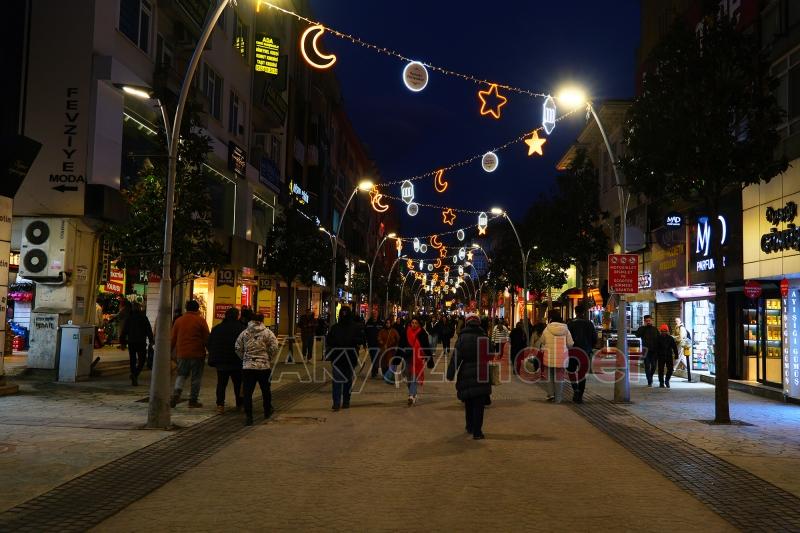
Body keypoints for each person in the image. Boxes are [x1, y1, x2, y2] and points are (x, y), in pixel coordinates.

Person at [447, 313, 491, 440]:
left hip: (466, 372)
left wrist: (450, 374)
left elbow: (456, 357)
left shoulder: (462, 338)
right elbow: (490, 354)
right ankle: (477, 432)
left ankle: (469, 426)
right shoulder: (484, 336)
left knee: (469, 402)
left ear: (467, 323)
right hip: (482, 373)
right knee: (479, 405)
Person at [235, 313, 278, 425]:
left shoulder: (245, 333)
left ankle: (249, 417)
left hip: (248, 367)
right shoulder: (268, 333)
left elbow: (237, 347)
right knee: (266, 390)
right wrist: (268, 357)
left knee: (248, 393)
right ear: (262, 320)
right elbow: (274, 347)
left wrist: (245, 358)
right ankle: (267, 411)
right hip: (264, 367)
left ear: (251, 320)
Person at [170, 300, 210, 408]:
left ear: (186, 308)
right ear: (197, 309)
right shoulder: (201, 321)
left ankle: (176, 395)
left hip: (182, 353)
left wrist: (170, 352)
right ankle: (193, 400)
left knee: (181, 375)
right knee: (196, 378)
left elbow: (173, 338)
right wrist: (210, 351)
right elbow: (207, 338)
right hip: (197, 353)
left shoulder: (179, 321)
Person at [207, 307, 246, 414]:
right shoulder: (242, 329)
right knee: (238, 384)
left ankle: (220, 405)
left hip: (222, 362)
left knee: (221, 384)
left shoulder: (217, 328)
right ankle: (240, 404)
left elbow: (209, 343)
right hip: (237, 361)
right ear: (237, 316)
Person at [325, 306, 361, 411]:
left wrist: (353, 341)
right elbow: (329, 340)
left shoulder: (355, 327)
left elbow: (361, 339)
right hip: (338, 358)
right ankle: (336, 402)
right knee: (337, 381)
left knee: (347, 382)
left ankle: (346, 401)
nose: (344, 315)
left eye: (346, 313)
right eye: (343, 312)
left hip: (349, 358)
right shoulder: (335, 328)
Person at [536, 310, 574, 403]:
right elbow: (570, 343)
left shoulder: (546, 329)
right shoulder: (566, 329)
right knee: (559, 377)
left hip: (549, 356)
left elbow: (542, 341)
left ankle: (551, 395)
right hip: (562, 357)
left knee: (549, 376)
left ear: (551, 319)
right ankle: (558, 398)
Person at [567, 304, 597, 403]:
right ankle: (580, 395)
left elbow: (566, 339)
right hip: (585, 351)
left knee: (571, 371)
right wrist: (590, 347)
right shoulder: (589, 324)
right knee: (582, 374)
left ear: (575, 312)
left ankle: (575, 389)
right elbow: (594, 338)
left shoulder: (570, 324)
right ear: (584, 312)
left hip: (572, 351)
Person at [119, 303, 154, 386]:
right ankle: (135, 374)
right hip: (141, 342)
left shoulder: (129, 318)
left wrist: (123, 342)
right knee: (142, 360)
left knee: (133, 360)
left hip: (131, 342)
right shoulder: (143, 318)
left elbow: (124, 331)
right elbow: (148, 329)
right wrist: (151, 340)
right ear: (139, 308)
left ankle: (134, 375)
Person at [405, 317, 431, 406]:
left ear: (419, 324)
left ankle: (411, 396)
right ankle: (414, 393)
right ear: (410, 323)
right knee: (408, 378)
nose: (414, 324)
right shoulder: (406, 332)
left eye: (416, 323)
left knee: (413, 378)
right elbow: (401, 344)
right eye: (412, 322)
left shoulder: (423, 333)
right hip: (408, 357)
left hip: (418, 359)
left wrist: (429, 358)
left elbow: (427, 346)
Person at [634, 314, 659, 387]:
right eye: (646, 321)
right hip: (646, 351)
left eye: (649, 321)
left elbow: (658, 339)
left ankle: (650, 376)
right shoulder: (642, 328)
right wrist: (643, 327)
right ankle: (649, 381)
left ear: (652, 321)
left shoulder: (655, 329)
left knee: (654, 366)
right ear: (644, 321)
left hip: (654, 351)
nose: (648, 322)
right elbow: (637, 335)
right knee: (647, 366)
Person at [657, 324, 679, 388]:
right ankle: (661, 382)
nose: (664, 332)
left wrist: (676, 354)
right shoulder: (658, 338)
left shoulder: (670, 338)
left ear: (667, 331)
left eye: (665, 331)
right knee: (661, 370)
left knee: (670, 369)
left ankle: (667, 380)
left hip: (669, 356)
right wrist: (656, 355)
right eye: (662, 331)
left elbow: (674, 347)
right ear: (661, 331)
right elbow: (656, 347)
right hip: (661, 356)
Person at [364, 310, 382, 378]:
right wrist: (365, 342)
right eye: (373, 313)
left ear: (377, 314)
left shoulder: (380, 323)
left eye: (376, 313)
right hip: (370, 344)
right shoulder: (369, 323)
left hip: (377, 344)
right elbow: (365, 333)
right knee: (373, 358)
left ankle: (374, 372)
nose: (374, 315)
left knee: (375, 357)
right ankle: (375, 370)